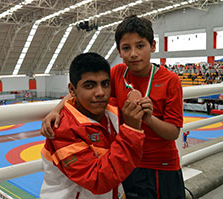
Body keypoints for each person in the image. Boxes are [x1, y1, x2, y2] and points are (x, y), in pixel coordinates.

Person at [41, 15, 185, 199]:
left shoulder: (170, 80)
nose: (133, 53)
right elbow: (86, 85)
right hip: (128, 161)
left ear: (153, 46)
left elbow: (173, 132)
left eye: (140, 46)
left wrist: (148, 118)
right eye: (126, 48)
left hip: (162, 164)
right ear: (119, 50)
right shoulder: (117, 73)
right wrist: (56, 109)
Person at [40, 52, 145, 199]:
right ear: (72, 89)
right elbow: (97, 180)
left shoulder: (112, 109)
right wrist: (131, 129)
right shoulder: (61, 129)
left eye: (105, 84)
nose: (100, 92)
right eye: (89, 85)